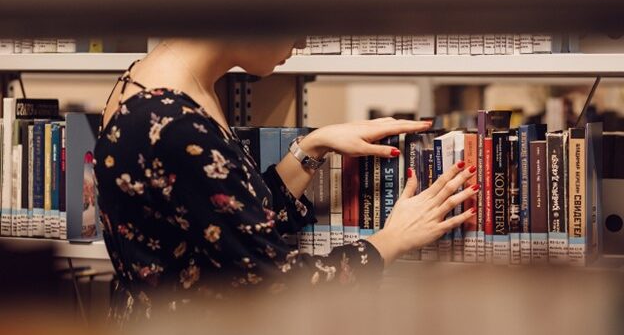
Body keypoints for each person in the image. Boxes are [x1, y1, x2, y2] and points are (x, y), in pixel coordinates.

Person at [94, 38, 479, 323]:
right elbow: (273, 282)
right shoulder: (175, 125)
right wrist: (392, 239)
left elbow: (226, 229)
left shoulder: (147, 79)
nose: (302, 40)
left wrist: (313, 146)